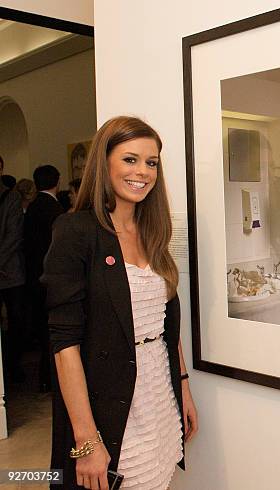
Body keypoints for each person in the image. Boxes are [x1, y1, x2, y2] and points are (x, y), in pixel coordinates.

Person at [42, 116, 198, 489]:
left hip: (160, 394)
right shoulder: (76, 232)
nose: (142, 172)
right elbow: (65, 346)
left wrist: (184, 389)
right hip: (112, 405)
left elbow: (164, 325)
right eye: (130, 159)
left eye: (151, 162)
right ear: (104, 162)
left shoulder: (153, 231)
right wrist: (86, 441)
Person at [24, 164, 64, 391]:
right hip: (50, 280)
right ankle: (51, 378)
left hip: (33, 278)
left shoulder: (32, 208)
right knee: (54, 332)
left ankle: (45, 378)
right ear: (57, 181)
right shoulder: (54, 210)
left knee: (43, 330)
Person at [0, 155, 26, 382]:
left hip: (11, 274)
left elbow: (14, 235)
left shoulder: (12, 197)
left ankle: (13, 365)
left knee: (16, 320)